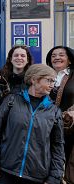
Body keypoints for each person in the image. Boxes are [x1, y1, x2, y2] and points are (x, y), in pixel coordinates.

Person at [0, 64, 65, 184]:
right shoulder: (11, 101)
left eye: (53, 81)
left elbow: (58, 146)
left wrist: (55, 177)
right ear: (34, 80)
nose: (52, 85)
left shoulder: (54, 111)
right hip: (6, 171)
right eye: (48, 80)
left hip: (37, 176)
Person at [46, 46, 74, 183]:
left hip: (70, 128)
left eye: (61, 55)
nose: (57, 57)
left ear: (69, 60)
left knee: (69, 165)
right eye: (53, 55)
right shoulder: (45, 76)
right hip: (48, 126)